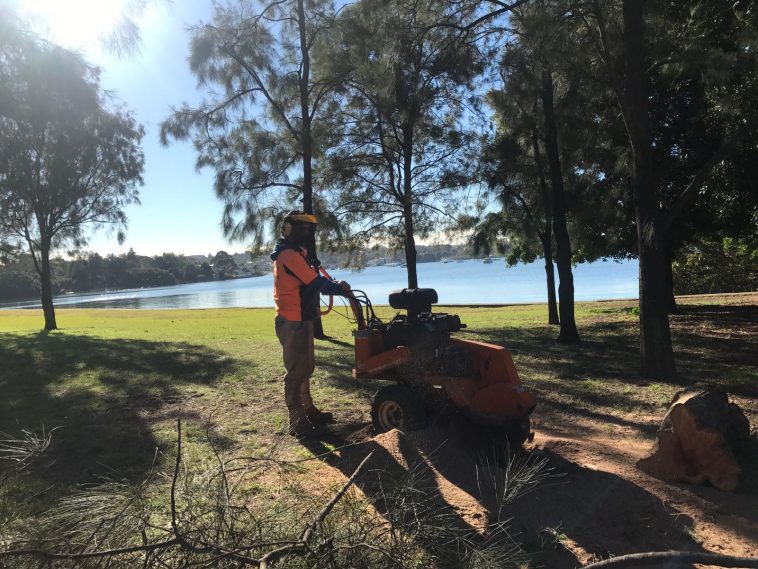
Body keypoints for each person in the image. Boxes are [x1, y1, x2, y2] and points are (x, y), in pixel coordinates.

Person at [270, 211, 351, 437]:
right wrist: (338, 288)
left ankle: (308, 410)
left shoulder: (298, 254)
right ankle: (296, 421)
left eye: (309, 229)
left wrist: (332, 284)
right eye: (301, 228)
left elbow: (312, 279)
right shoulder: (289, 255)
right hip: (291, 320)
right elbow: (315, 283)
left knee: (306, 368)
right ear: (288, 229)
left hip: (302, 318)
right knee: (296, 372)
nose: (306, 233)